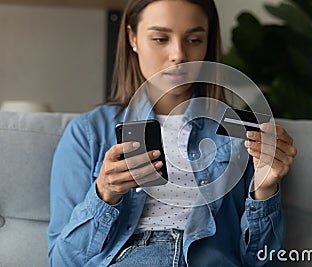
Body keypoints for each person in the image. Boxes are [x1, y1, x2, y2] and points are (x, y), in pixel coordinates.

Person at [47, 0, 297, 266]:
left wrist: (265, 189)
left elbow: (264, 261)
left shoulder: (241, 130)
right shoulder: (89, 133)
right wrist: (104, 194)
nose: (178, 54)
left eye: (194, 39)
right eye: (160, 38)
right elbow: (62, 262)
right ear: (133, 38)